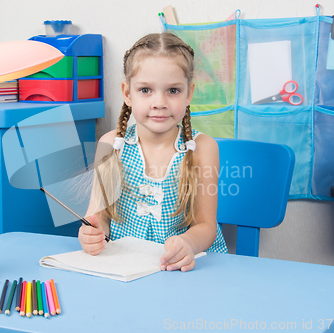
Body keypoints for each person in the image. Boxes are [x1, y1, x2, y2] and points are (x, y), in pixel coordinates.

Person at [78, 32, 227, 272]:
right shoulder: (111, 144)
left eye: (173, 91)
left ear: (189, 93)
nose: (159, 102)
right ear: (127, 93)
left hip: (182, 269)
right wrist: (92, 233)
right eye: (146, 90)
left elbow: (206, 225)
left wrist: (188, 243)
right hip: (125, 265)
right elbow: (99, 216)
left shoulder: (202, 148)